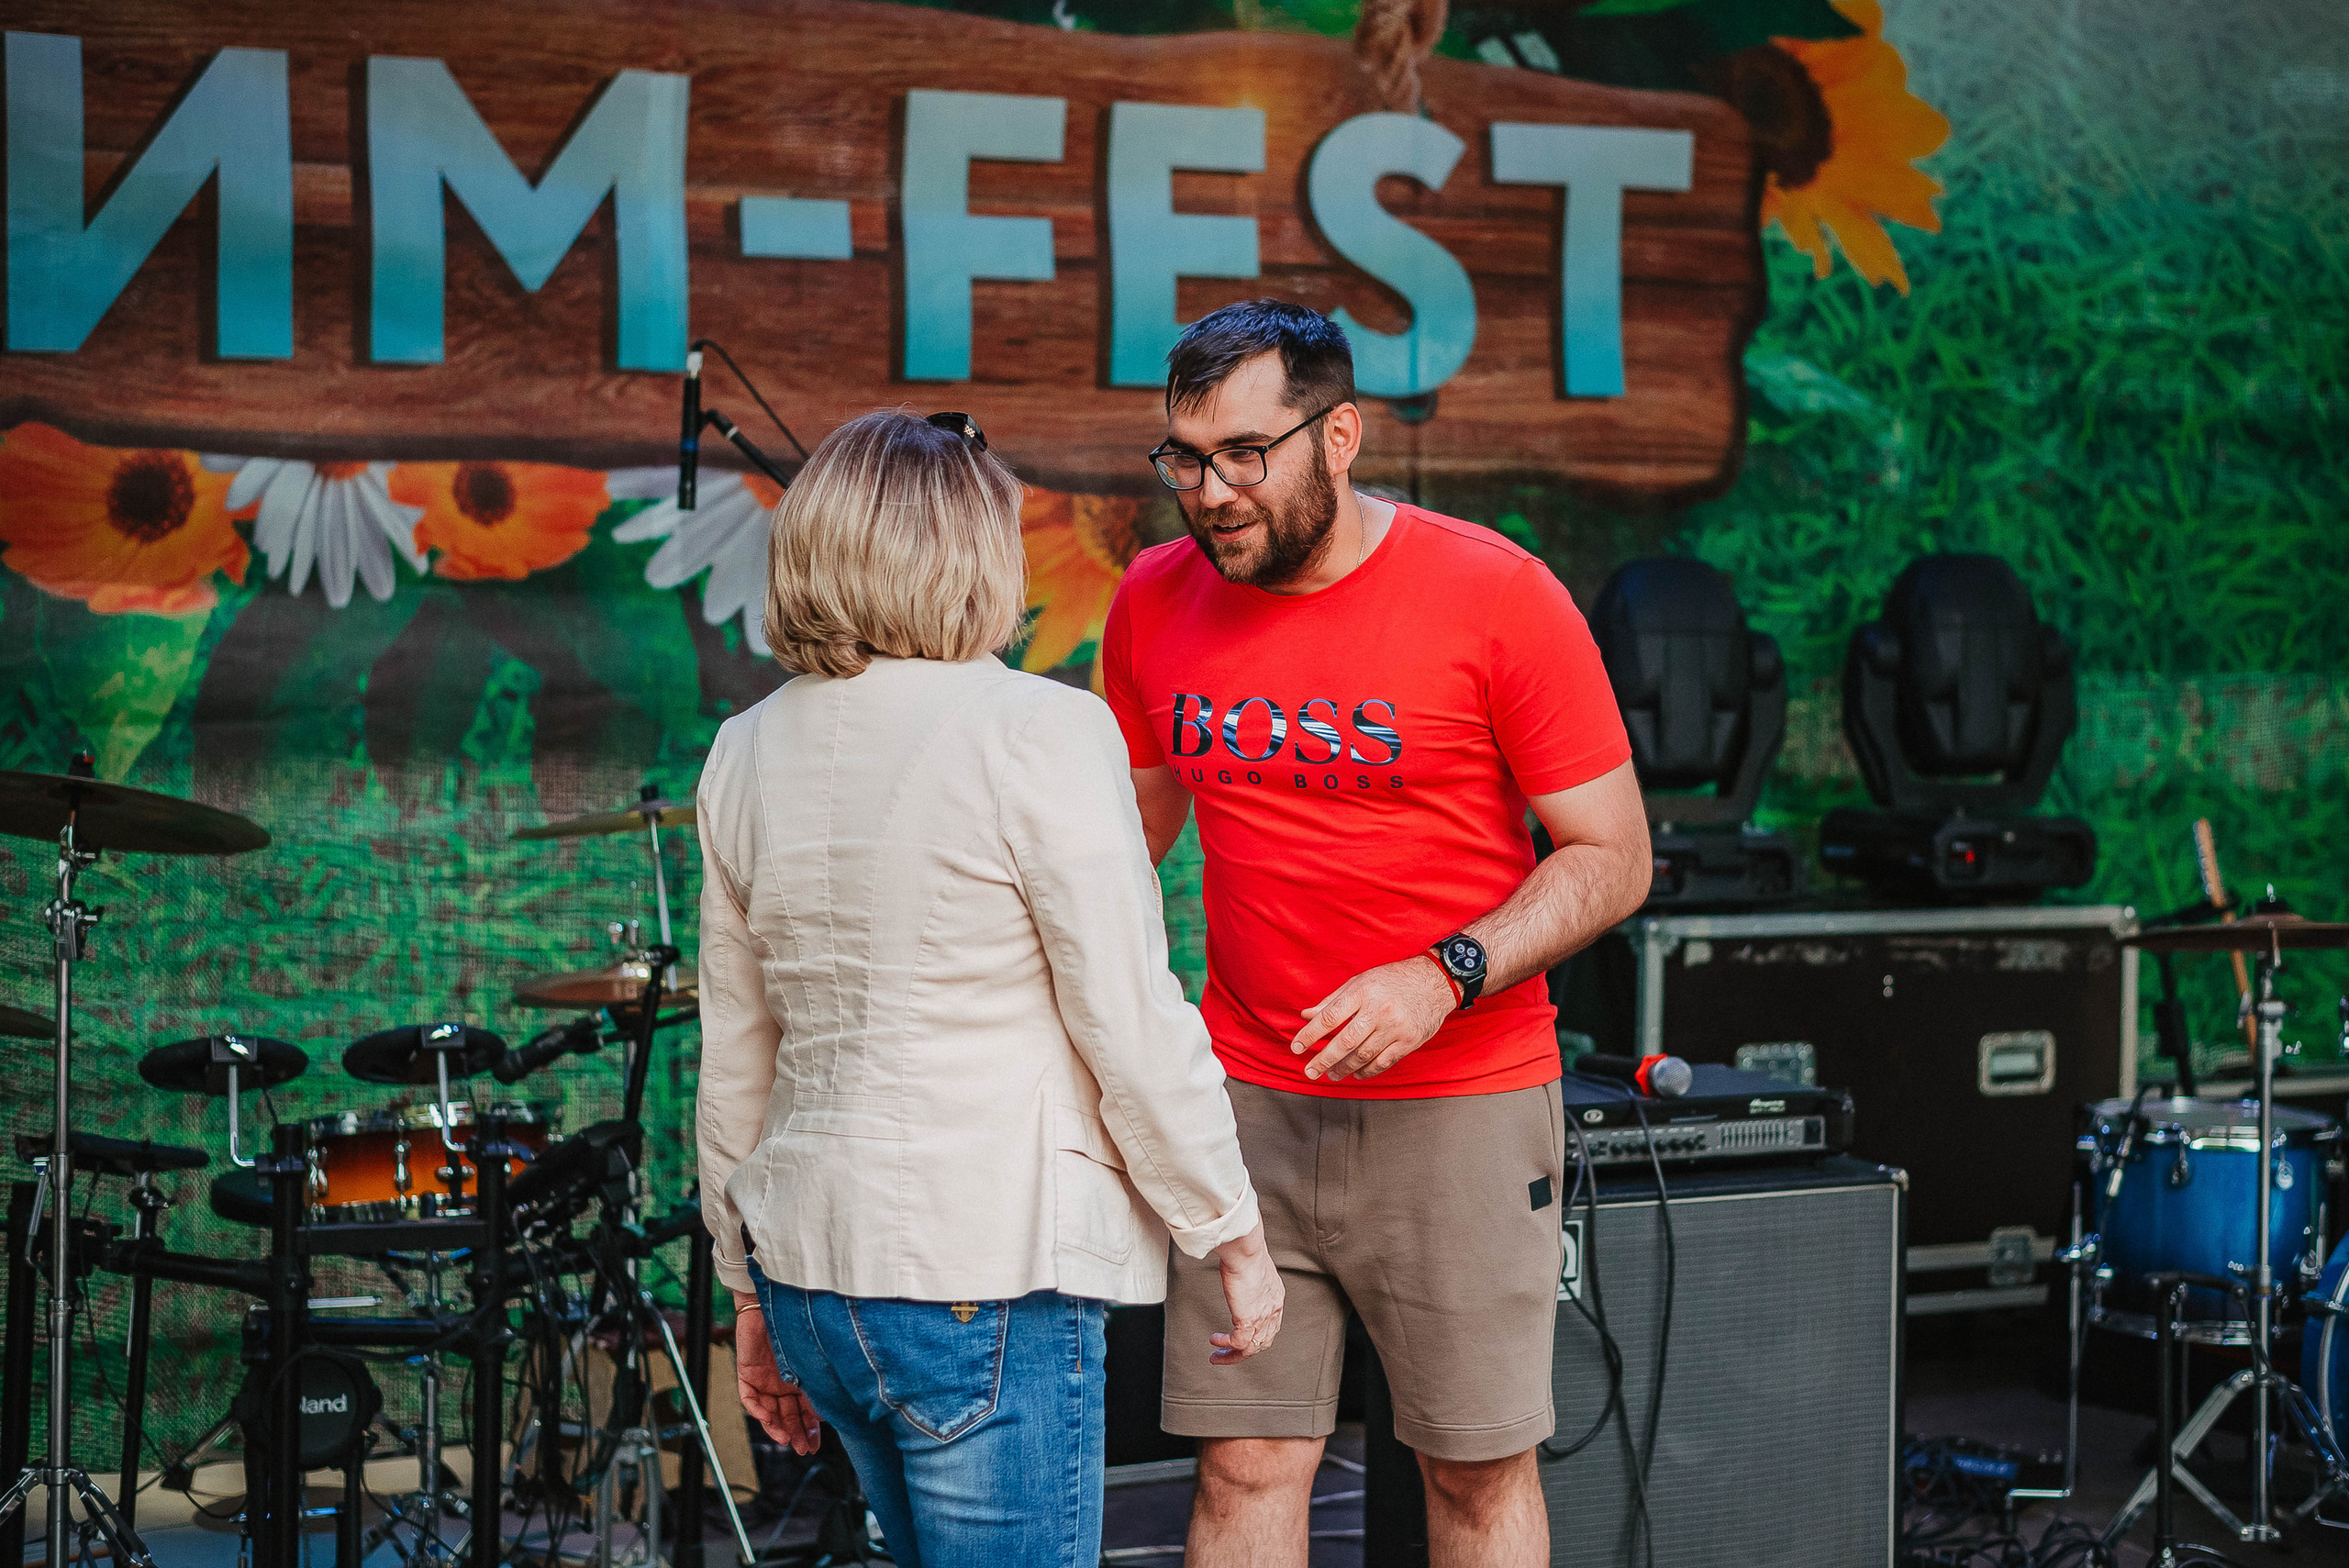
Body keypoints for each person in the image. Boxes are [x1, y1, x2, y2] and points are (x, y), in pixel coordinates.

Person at [1097, 302, 1653, 1568]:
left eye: (1248, 452)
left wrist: (1445, 972)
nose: (1212, 492)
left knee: (1470, 1472)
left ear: (1339, 434)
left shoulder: (1497, 593)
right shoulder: (1153, 598)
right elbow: (1124, 838)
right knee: (1244, 1464)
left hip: (1460, 1100)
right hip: (1245, 1104)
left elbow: (1614, 857)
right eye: (1184, 457)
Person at [694, 408, 1284, 1568]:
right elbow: (1128, 1015)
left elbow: (734, 1056)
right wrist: (1229, 1227)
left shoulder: (744, 746)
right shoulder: (1042, 730)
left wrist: (746, 1293)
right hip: (983, 1277)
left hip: (812, 1276)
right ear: (970, 555)